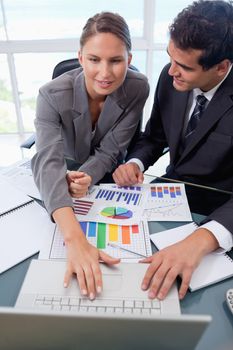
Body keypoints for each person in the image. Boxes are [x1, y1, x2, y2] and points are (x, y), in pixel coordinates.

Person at [113, 0, 233, 300]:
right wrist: (137, 163)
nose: (171, 72)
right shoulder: (172, 78)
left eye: (185, 67)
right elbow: (154, 137)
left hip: (220, 213)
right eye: (171, 59)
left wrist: (201, 240)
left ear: (222, 67)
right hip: (170, 195)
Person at [31, 12, 149, 300]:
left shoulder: (138, 87)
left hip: (102, 177)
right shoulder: (50, 95)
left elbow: (111, 149)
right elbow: (48, 159)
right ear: (80, 57)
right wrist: (74, 239)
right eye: (94, 59)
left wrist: (88, 176)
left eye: (116, 61)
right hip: (62, 168)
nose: (105, 73)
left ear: (129, 60)